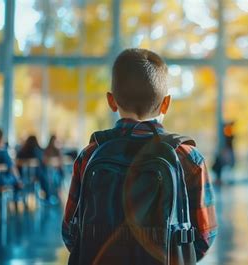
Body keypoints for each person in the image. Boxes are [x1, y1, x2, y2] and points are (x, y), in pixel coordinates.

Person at [62, 49, 217, 264]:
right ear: (166, 103)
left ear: (111, 101)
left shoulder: (90, 154)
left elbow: (71, 232)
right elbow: (204, 236)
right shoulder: (187, 157)